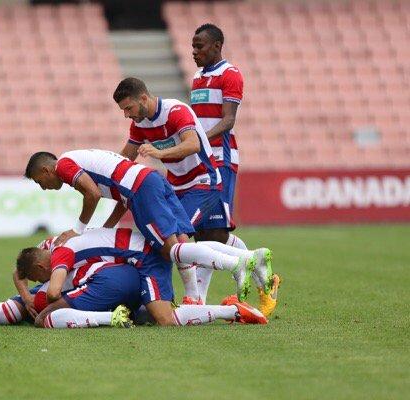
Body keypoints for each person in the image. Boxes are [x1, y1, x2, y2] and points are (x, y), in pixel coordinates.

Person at [112, 77, 274, 305]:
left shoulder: (176, 111)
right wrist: (107, 173)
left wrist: (159, 154)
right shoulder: (139, 125)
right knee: (212, 237)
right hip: (176, 188)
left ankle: (193, 298)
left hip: (203, 181)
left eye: (128, 108)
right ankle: (251, 260)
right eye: (123, 111)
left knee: (177, 237)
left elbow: (193, 144)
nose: (127, 115)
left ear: (144, 98)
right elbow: (125, 158)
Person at [24, 150, 262, 301]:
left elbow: (92, 194)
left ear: (46, 170)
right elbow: (119, 199)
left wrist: (78, 230)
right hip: (150, 179)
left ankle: (236, 264)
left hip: (140, 188)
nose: (42, 186)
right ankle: (246, 261)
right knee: (181, 243)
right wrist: (106, 228)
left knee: (170, 250)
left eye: (39, 181)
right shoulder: (81, 159)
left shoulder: (64, 165)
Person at [190, 24, 281, 313]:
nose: (194, 51)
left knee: (213, 235)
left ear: (217, 46)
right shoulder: (197, 77)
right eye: (193, 46)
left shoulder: (230, 74)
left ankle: (202, 300)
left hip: (220, 158)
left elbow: (228, 120)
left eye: (200, 46)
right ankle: (258, 273)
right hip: (200, 160)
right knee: (204, 234)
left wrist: (199, 141)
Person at [14, 227, 267, 326]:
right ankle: (242, 260)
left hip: (145, 258)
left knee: (165, 319)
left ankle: (232, 305)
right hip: (139, 255)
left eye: (37, 277)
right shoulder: (61, 244)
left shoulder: (61, 254)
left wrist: (27, 298)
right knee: (181, 252)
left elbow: (53, 292)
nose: (41, 281)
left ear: (40, 265)